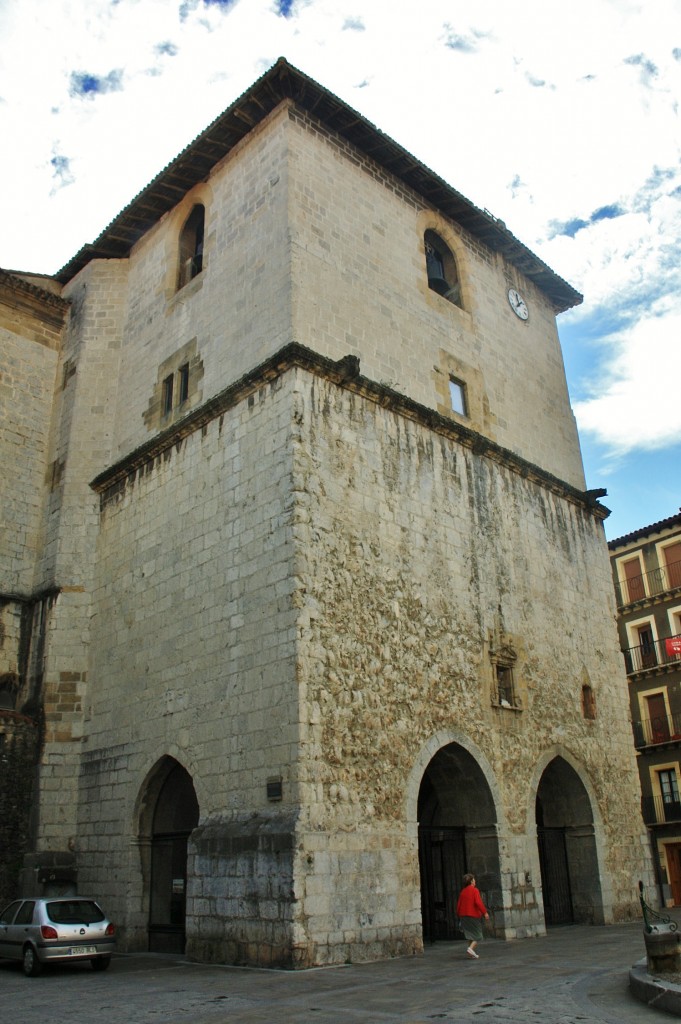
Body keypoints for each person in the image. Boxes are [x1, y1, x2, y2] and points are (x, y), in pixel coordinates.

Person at [456, 873, 489, 959]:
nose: (475, 881)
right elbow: (478, 902)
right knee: (478, 935)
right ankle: (471, 948)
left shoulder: (463, 892)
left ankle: (471, 953)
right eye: (474, 879)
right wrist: (485, 912)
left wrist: (458, 914)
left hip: (463, 916)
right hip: (472, 915)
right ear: (471, 881)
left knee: (470, 934)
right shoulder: (475, 890)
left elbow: (459, 905)